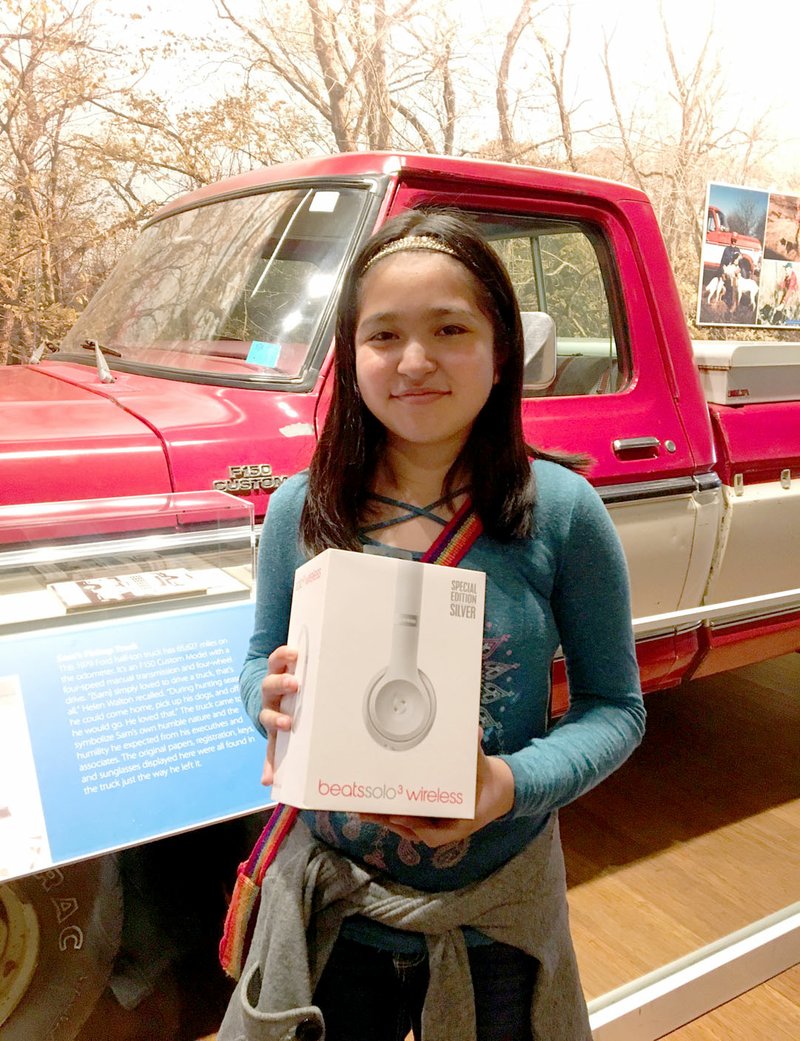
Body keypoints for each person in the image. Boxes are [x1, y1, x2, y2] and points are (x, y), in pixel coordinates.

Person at [225, 210, 645, 1041]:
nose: (414, 361)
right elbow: (254, 662)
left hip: (495, 911)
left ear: (501, 349)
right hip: (334, 911)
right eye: (383, 335)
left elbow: (616, 707)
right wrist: (266, 697)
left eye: (449, 328)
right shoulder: (298, 512)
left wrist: (507, 786)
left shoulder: (560, 512)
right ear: (351, 358)